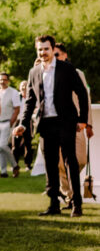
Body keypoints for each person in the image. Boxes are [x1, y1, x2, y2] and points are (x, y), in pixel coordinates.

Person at [15, 35, 90, 217]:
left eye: (46, 49)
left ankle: (76, 205)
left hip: (66, 122)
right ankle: (54, 205)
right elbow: (30, 102)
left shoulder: (66, 68)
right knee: (50, 165)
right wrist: (23, 124)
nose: (43, 53)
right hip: (46, 124)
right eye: (40, 49)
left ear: (53, 49)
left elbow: (81, 92)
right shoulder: (34, 72)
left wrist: (82, 120)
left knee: (70, 161)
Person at [52, 43, 93, 209]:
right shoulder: (46, 73)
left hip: (76, 124)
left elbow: (85, 98)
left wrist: (87, 123)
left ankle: (71, 192)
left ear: (65, 55)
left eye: (57, 55)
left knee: (80, 160)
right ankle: (71, 197)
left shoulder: (77, 73)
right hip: (55, 125)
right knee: (60, 163)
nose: (54, 58)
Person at [0, 72, 21, 177]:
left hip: (7, 122)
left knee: (2, 145)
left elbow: (17, 109)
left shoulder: (13, 92)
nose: (2, 81)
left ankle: (15, 165)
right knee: (0, 149)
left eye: (5, 79)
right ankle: (3, 172)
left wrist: (11, 122)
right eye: (0, 79)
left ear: (8, 81)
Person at [12, 80, 34, 171]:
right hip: (17, 122)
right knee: (15, 145)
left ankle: (28, 164)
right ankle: (15, 164)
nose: (24, 88)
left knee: (28, 144)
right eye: (22, 86)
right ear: (19, 87)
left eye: (25, 86)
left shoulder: (31, 96)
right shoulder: (16, 96)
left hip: (28, 122)